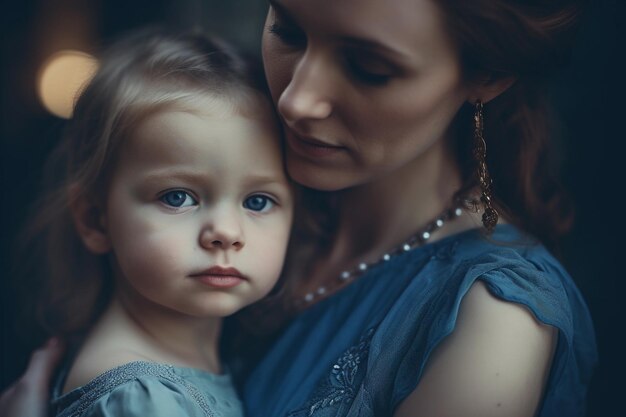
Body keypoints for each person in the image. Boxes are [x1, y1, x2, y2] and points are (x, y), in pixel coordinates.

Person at [2, 0, 597, 416]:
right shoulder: (254, 187)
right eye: (287, 31)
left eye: (369, 67)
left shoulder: (492, 318)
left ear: (486, 75)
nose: (296, 100)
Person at [6, 28, 294, 417]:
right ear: (96, 220)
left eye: (257, 201)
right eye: (177, 197)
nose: (225, 232)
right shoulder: (141, 399)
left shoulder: (211, 357)